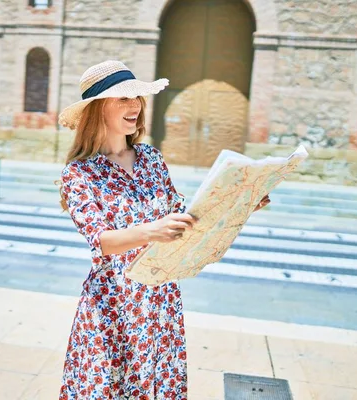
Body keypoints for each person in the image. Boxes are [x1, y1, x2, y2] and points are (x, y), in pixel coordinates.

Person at [57, 60, 270, 399]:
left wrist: (240, 202)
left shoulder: (152, 159)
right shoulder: (79, 173)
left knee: (156, 386)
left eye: (137, 98)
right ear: (98, 109)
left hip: (160, 300)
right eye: (123, 99)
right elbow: (101, 242)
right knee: (107, 387)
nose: (135, 106)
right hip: (113, 303)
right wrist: (152, 230)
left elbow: (183, 217)